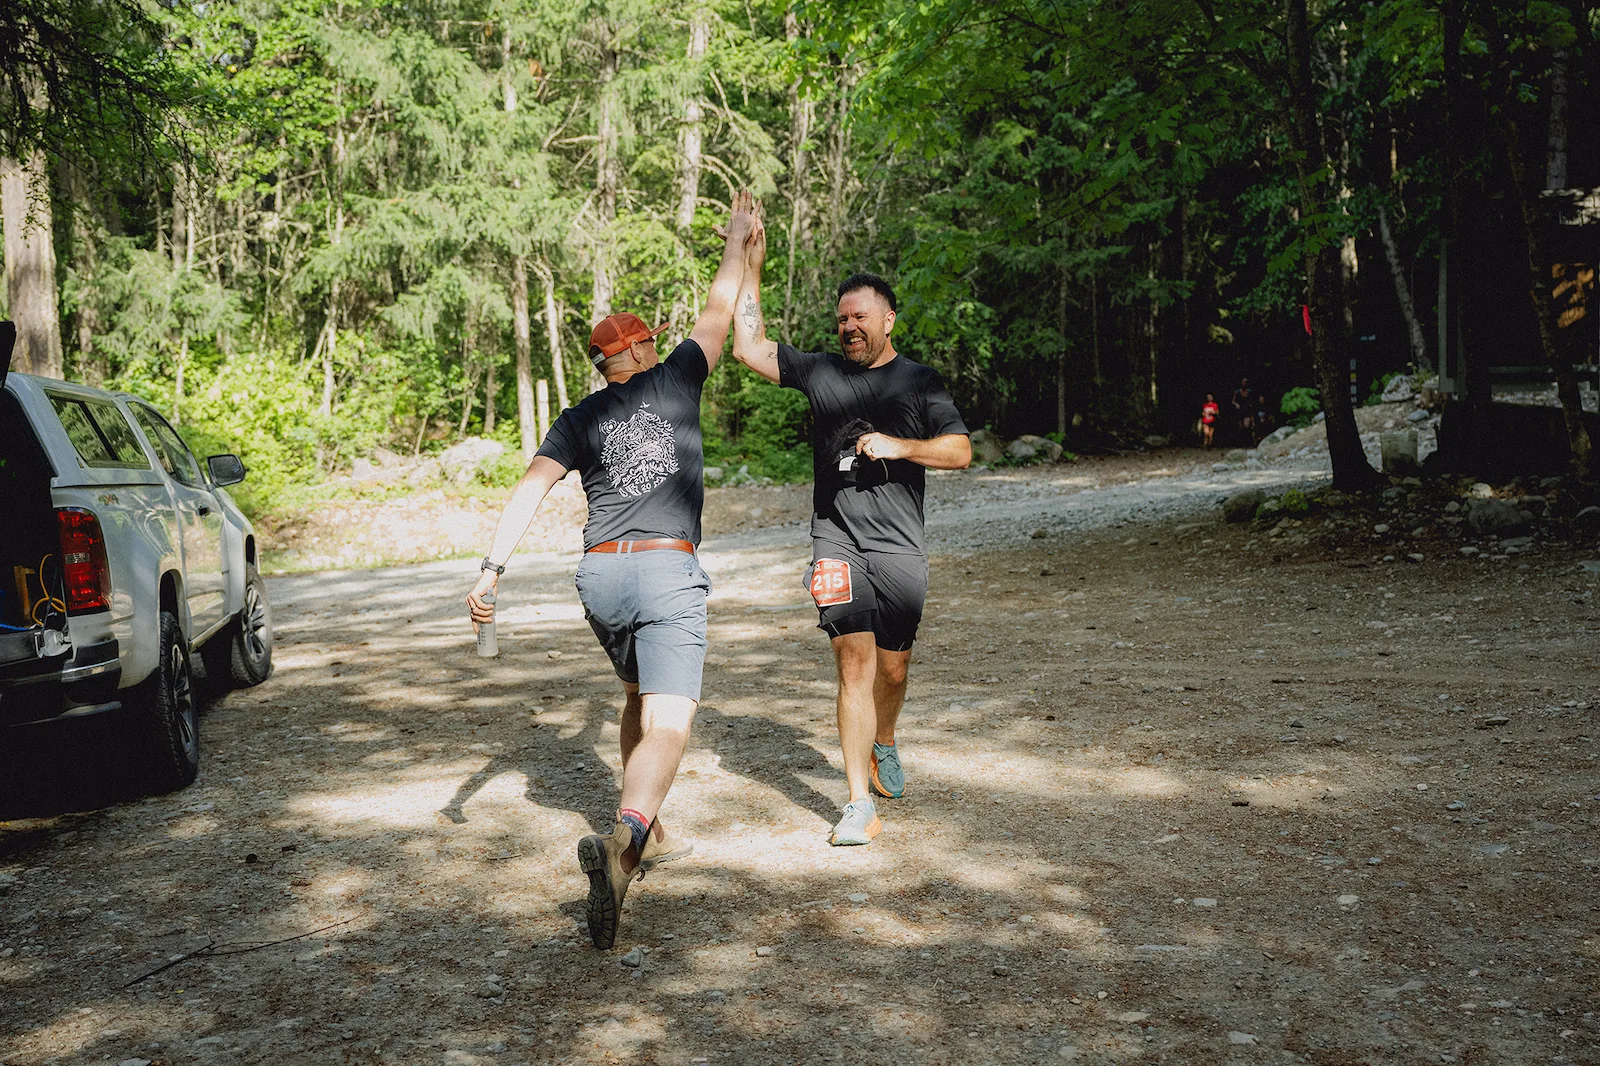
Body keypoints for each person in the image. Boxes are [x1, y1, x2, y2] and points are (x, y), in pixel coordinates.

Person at [466, 190, 759, 949]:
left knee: (634, 693)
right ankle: (627, 839)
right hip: (665, 570)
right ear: (629, 356)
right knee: (671, 717)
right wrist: (737, 241)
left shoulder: (578, 418)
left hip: (600, 577)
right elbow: (720, 305)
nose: (658, 350)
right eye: (646, 345)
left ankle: (650, 833)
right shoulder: (678, 379)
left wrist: (492, 569)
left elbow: (531, 487)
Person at [729, 207, 971, 846]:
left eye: (859, 316)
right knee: (853, 662)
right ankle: (858, 802)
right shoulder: (820, 372)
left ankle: (883, 739)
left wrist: (901, 446)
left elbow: (960, 450)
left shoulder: (919, 381)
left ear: (888, 319)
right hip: (835, 538)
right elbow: (747, 346)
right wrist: (751, 265)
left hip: (899, 546)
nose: (848, 327)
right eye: (841, 318)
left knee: (892, 669)